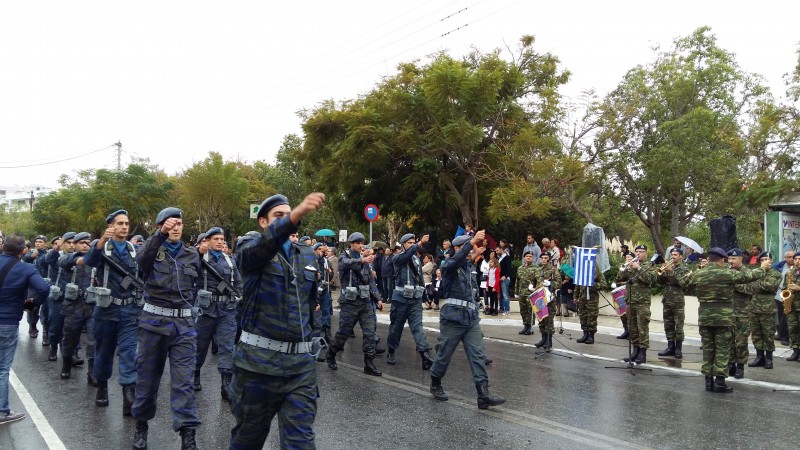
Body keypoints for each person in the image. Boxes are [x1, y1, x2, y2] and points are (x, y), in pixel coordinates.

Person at [229, 193, 323, 449]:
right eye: (278, 216)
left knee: (301, 442)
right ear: (262, 221)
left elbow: (309, 303)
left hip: (299, 368)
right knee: (248, 438)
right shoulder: (250, 247)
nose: (288, 220)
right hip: (258, 367)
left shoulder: (306, 255)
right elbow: (262, 249)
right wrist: (295, 214)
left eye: (288, 214)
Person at [131, 207, 201, 450]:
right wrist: (159, 235)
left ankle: (188, 434)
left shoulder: (192, 255)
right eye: (171, 223)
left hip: (183, 327)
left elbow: (196, 286)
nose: (176, 227)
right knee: (148, 379)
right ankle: (141, 426)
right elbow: (141, 261)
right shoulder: (151, 251)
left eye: (180, 223)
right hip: (153, 325)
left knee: (184, 382)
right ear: (161, 226)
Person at [429, 231, 505, 409]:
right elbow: (456, 261)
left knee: (478, 355)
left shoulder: (470, 267)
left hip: (471, 319)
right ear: (457, 249)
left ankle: (483, 394)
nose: (472, 250)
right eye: (467, 247)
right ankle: (435, 381)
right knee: (444, 354)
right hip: (453, 318)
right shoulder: (448, 265)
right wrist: (472, 241)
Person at [682, 247, 767, 393]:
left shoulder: (699, 274)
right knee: (722, 350)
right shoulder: (727, 273)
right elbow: (749, 276)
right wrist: (763, 268)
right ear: (722, 260)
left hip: (705, 316)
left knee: (708, 349)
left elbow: (684, 283)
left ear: (708, 259)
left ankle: (708, 381)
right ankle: (719, 382)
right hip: (724, 317)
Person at [84, 209, 143, 413]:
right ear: (111, 226)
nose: (124, 227)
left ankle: (129, 394)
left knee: (129, 352)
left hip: (129, 310)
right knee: (104, 352)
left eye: (126, 223)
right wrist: (100, 242)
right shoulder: (101, 246)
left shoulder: (134, 249)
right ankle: (102, 386)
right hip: (106, 310)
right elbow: (89, 262)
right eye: (120, 223)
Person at [0, 234, 50, 424]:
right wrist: (33, 303)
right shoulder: (26, 268)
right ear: (23, 251)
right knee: (3, 368)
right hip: (7, 322)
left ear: (3, 246)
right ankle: (3, 411)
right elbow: (43, 289)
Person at [194, 227, 242, 401]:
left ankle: (226, 383)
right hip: (205, 310)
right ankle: (195, 373)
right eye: (216, 239)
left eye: (222, 239)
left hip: (226, 311)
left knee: (227, 346)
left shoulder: (229, 261)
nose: (220, 242)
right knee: (199, 345)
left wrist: (237, 298)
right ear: (207, 240)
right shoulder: (199, 259)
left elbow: (238, 283)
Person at [385, 233, 433, 369]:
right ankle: (391, 351)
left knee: (418, 328)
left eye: (414, 242)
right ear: (403, 244)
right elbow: (405, 256)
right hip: (400, 300)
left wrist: (424, 296)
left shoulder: (417, 259)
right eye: (410, 243)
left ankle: (425, 356)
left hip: (415, 300)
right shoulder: (398, 257)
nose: (412, 245)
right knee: (396, 328)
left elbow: (420, 278)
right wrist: (419, 244)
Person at [58, 232, 96, 381]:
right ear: (75, 244)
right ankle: (66, 365)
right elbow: (63, 262)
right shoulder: (69, 258)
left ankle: (92, 372)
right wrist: (77, 259)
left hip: (92, 306)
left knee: (94, 340)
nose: (86, 245)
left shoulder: (96, 260)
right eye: (82, 243)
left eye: (88, 243)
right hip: (73, 306)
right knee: (70, 338)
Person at [617, 245, 657, 363]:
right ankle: (635, 350)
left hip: (642, 302)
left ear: (646, 253)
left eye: (641, 252)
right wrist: (626, 266)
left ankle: (642, 353)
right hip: (630, 301)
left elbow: (651, 280)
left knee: (642, 328)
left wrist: (638, 268)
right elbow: (619, 278)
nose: (639, 254)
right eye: (637, 251)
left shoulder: (649, 265)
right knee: (632, 328)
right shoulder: (631, 264)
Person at [746, 252, 782, 369]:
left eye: (767, 259)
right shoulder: (756, 272)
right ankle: (759, 357)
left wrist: (755, 281)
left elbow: (770, 286)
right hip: (754, 308)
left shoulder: (775, 274)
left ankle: (769, 359)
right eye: (762, 259)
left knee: (768, 335)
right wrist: (755, 282)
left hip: (768, 309)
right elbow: (749, 287)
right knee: (756, 334)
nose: (765, 261)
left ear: (771, 260)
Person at [44, 232, 75, 362]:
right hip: (59, 297)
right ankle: (53, 347)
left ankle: (72, 353)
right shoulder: (56, 257)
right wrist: (58, 246)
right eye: (68, 242)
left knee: (73, 327)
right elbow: (48, 259)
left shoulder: (80, 258)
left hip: (74, 298)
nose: (71, 245)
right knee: (55, 324)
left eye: (74, 243)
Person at [656, 248, 691, 359]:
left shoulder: (685, 269)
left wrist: (671, 271)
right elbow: (660, 283)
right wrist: (661, 273)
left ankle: (678, 349)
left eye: (675, 254)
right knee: (668, 325)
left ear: (681, 256)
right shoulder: (668, 267)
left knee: (678, 326)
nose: (673, 257)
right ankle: (670, 347)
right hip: (667, 300)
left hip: (678, 302)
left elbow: (682, 283)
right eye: (672, 254)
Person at [726, 248, 752, 378]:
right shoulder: (726, 271)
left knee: (741, 341)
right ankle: (730, 364)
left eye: (733, 259)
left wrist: (734, 284)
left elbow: (751, 289)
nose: (731, 261)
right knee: (729, 340)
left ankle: (740, 366)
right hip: (727, 312)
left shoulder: (747, 273)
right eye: (729, 259)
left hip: (742, 313)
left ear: (741, 258)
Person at [22, 234, 48, 338]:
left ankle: (45, 330)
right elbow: (25, 258)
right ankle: (32, 326)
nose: (38, 243)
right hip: (32, 285)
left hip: (45, 284)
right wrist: (32, 255)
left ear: (45, 244)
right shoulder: (31, 253)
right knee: (30, 306)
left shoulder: (48, 254)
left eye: (40, 242)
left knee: (46, 308)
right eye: (36, 242)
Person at [534, 253, 562, 348]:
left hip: (549, 299)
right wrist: (532, 288)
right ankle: (543, 338)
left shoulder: (553, 270)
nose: (544, 260)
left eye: (546, 258)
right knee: (541, 320)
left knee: (548, 320)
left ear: (549, 259)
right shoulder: (538, 270)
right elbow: (535, 282)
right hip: (539, 299)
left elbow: (559, 283)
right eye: (542, 258)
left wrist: (551, 283)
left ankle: (549, 341)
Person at [575, 266, 605, 345]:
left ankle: (591, 336)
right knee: (583, 316)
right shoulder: (582, 273)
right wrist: (575, 296)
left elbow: (603, 285)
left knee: (591, 317)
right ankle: (585, 334)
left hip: (592, 299)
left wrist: (592, 284)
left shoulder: (598, 273)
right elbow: (577, 285)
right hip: (582, 298)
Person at [515, 251, 540, 335]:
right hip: (522, 293)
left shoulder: (536, 268)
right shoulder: (520, 268)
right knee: (523, 310)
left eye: (530, 256)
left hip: (531, 293)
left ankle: (530, 327)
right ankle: (525, 326)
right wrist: (516, 292)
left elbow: (539, 281)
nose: (529, 257)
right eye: (527, 256)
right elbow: (517, 281)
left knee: (530, 311)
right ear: (524, 258)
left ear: (532, 258)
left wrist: (535, 290)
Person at [783, 253, 800, 361]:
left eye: (799, 259)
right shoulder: (789, 273)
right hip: (791, 306)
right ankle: (795, 351)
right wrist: (785, 301)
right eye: (795, 259)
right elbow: (784, 289)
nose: (797, 261)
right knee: (793, 329)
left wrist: (798, 288)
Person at [497, 239, 512, 315]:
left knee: (505, 294)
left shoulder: (507, 258)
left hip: (504, 278)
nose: (496, 251)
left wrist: (505, 276)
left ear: (501, 250)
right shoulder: (499, 258)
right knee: (501, 295)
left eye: (498, 250)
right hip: (499, 278)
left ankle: (507, 309)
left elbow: (509, 269)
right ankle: (501, 308)